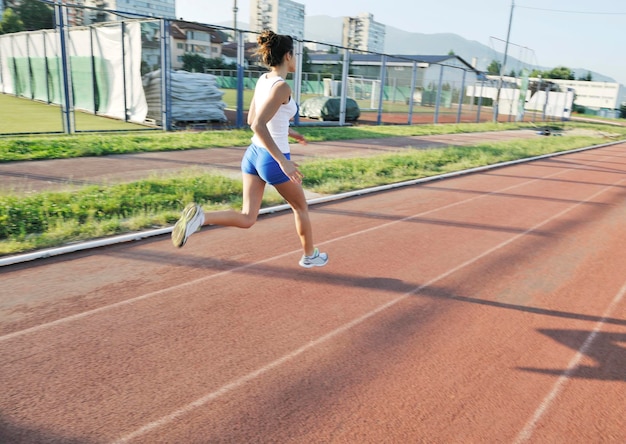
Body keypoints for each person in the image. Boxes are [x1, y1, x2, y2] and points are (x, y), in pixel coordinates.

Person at [171, 30, 328, 268]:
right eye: (294, 55)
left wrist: (290, 132)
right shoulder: (282, 87)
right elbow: (258, 123)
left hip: (253, 154)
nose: (295, 59)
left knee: (247, 218)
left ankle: (200, 217)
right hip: (273, 159)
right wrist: (283, 161)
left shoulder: (264, 80)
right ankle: (310, 256)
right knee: (301, 208)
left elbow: (255, 120)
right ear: (287, 56)